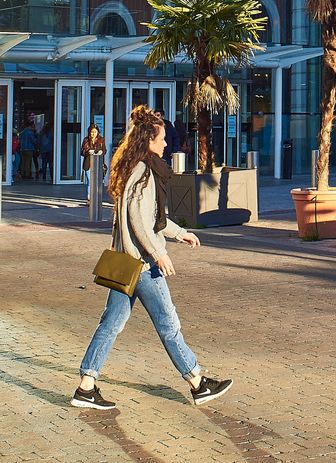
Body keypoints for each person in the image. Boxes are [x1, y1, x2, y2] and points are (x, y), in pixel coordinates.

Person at [72, 104, 232, 411]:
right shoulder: (145, 171)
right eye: (161, 139)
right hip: (142, 265)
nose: (166, 143)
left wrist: (179, 232)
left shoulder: (131, 168)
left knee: (111, 323)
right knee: (168, 324)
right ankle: (198, 382)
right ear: (148, 141)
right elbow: (139, 219)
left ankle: (86, 386)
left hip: (124, 261)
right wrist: (158, 254)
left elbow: (151, 217)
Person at [80, 124, 107, 201]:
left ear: (98, 132)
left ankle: (97, 197)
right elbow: (82, 152)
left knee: (97, 181)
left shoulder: (101, 140)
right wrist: (88, 152)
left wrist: (101, 152)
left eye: (95, 132)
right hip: (88, 163)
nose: (93, 134)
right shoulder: (86, 140)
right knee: (90, 181)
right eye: (92, 132)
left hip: (98, 163)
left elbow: (104, 150)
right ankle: (90, 197)